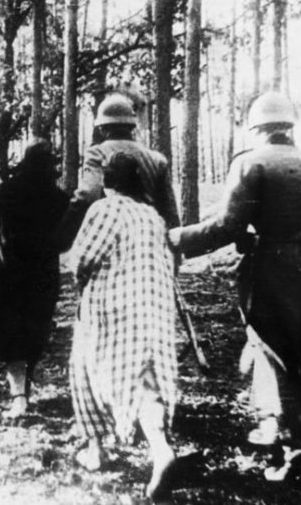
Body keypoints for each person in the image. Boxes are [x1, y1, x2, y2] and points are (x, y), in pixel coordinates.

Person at [168, 92, 301, 481]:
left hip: (271, 267)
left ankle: (293, 447)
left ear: (256, 128)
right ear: (288, 127)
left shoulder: (250, 163)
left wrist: (176, 238)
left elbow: (227, 226)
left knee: (273, 349)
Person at [69, 151, 182, 504]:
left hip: (111, 306)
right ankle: (161, 451)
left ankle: (95, 449)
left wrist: (80, 284)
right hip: (155, 310)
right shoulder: (152, 216)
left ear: (107, 181)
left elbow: (81, 260)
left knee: (83, 366)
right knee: (146, 380)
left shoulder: (105, 209)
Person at [0, 140, 69, 418]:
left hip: (6, 274)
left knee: (11, 338)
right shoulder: (59, 198)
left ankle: (19, 396)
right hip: (42, 277)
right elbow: (64, 241)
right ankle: (24, 390)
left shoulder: (5, 191)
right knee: (33, 334)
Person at [56, 93, 180, 251]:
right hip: (150, 240)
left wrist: (62, 239)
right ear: (132, 126)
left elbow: (87, 196)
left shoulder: (97, 153)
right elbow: (169, 212)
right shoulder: (157, 159)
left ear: (102, 128)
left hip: (110, 239)